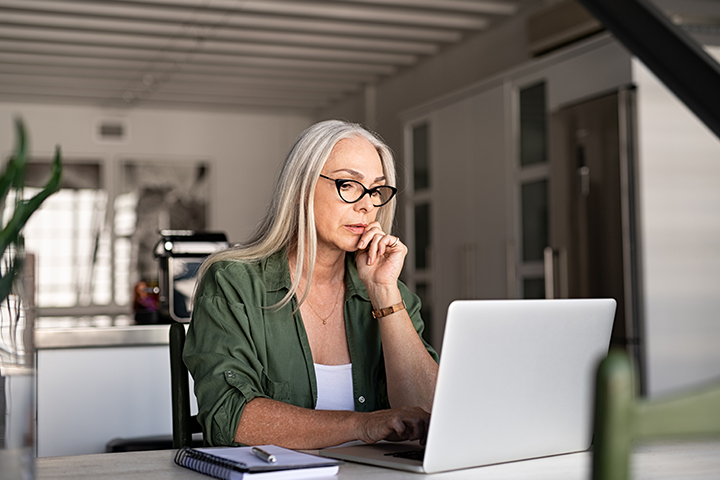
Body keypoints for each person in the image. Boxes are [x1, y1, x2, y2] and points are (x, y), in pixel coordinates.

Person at [184, 119, 439, 450]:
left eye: (376, 190)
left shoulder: (390, 293)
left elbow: (432, 416)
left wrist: (384, 293)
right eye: (348, 184)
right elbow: (230, 418)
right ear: (302, 186)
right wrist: (363, 425)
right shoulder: (234, 283)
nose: (368, 205)